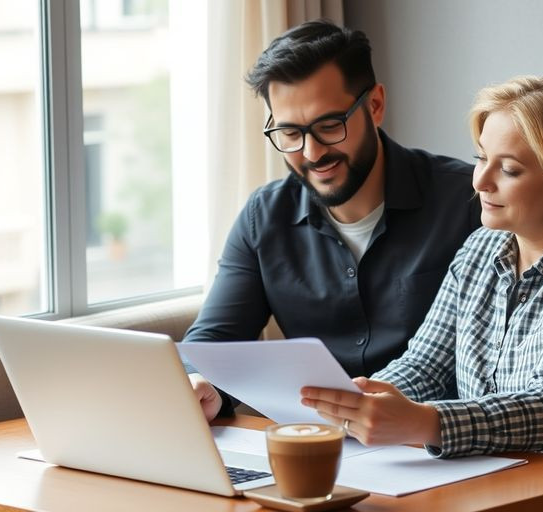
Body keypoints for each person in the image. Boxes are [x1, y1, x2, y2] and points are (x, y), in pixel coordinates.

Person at [301, 76, 543, 511]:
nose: (480, 182)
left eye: (508, 169)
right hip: (484, 493)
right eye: (480, 158)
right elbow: (426, 365)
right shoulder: (480, 248)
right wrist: (358, 403)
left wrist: (423, 422)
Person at [184, 20, 480, 420]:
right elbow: (213, 344)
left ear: (375, 105)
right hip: (318, 447)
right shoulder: (264, 217)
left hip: (442, 446)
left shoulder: (471, 202)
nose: (311, 152)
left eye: (329, 126)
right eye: (289, 132)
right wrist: (202, 385)